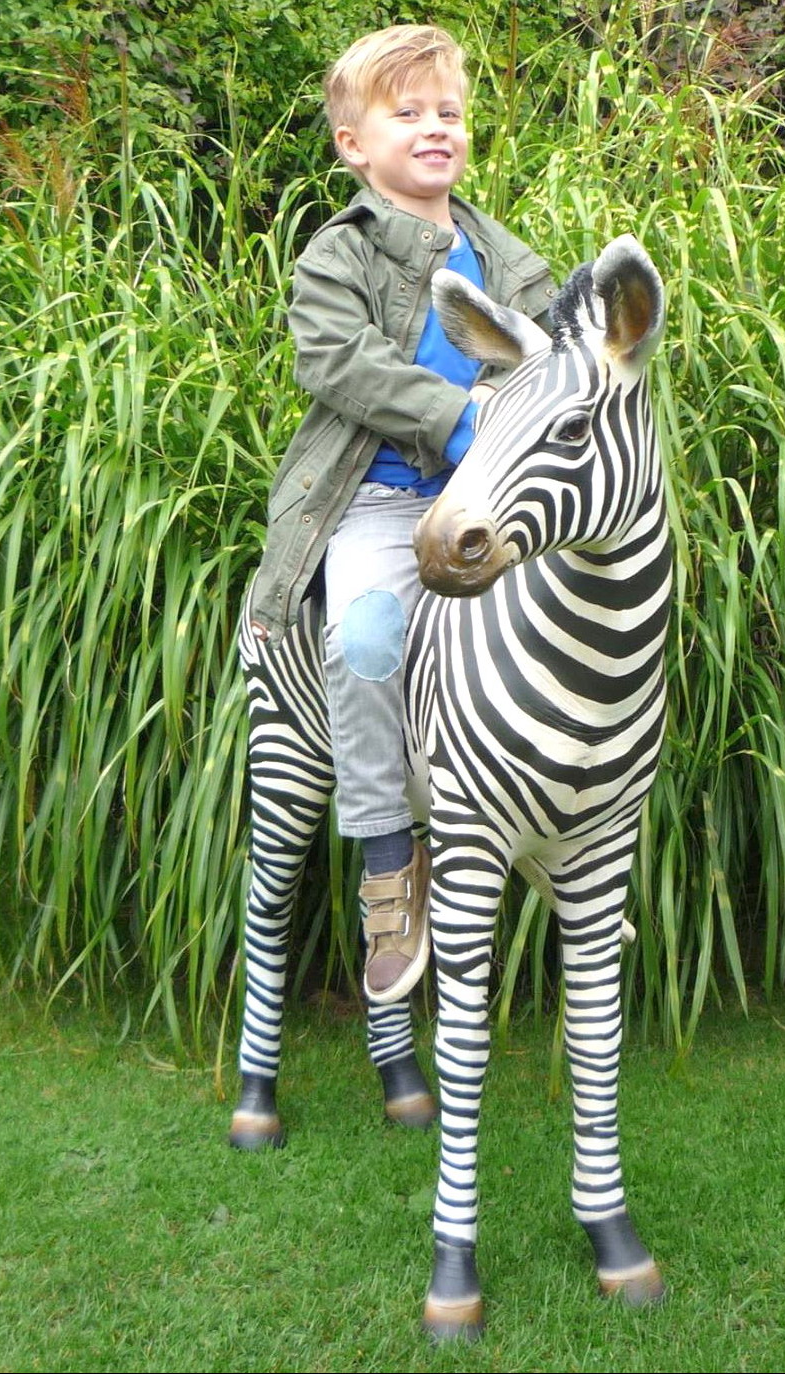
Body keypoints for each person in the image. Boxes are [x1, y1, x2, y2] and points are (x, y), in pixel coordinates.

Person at [245, 23, 556, 1006]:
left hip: (487, 502)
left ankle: (558, 843)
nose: (435, 130)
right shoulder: (337, 257)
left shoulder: (511, 264)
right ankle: (390, 863)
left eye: (449, 114)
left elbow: (544, 373)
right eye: (407, 113)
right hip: (377, 503)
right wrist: (460, 417)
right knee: (367, 642)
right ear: (353, 144)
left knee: (570, 642)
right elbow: (336, 363)